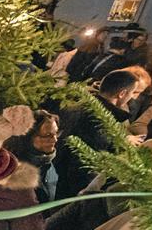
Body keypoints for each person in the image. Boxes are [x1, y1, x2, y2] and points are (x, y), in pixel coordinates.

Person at [54, 69, 138, 199]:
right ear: (122, 93)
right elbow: (88, 159)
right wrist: (85, 194)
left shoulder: (81, 106)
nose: (133, 97)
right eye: (133, 92)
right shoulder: (99, 120)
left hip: (57, 177)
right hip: (68, 189)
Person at [3, 110, 60, 203]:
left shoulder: (47, 164)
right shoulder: (13, 169)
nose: (55, 140)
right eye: (47, 135)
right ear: (28, 137)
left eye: (56, 133)